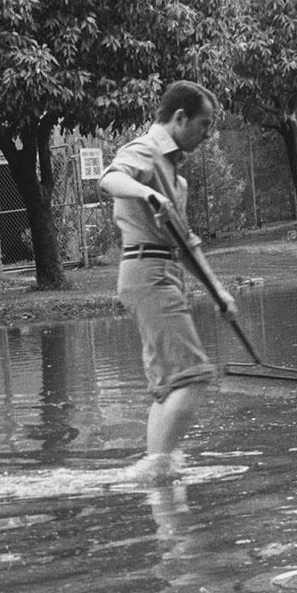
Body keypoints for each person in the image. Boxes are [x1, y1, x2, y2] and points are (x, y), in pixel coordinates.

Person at [99, 80, 237, 483]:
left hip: (165, 272)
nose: (208, 135)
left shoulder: (178, 181)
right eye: (204, 125)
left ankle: (159, 479)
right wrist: (147, 194)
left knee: (167, 385)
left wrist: (220, 292)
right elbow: (110, 178)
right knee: (193, 375)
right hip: (147, 272)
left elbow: (187, 244)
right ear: (180, 118)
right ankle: (156, 467)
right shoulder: (144, 151)